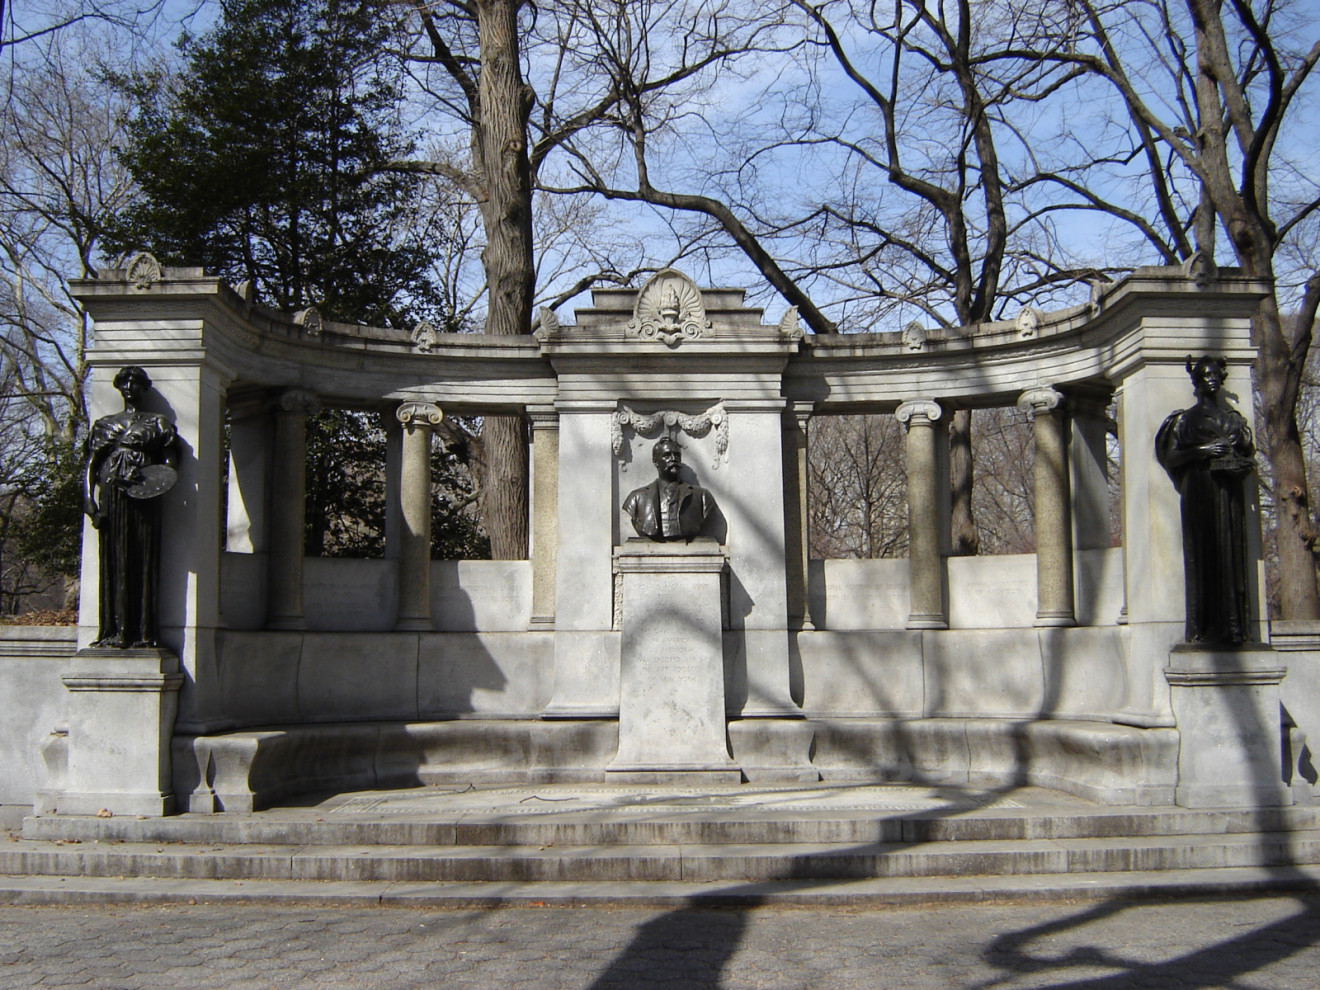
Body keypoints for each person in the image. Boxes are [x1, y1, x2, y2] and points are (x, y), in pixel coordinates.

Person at [1155, 355, 1256, 645]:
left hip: (1228, 491)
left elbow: (1248, 457)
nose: (1211, 379)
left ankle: (1236, 627)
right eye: (1205, 375)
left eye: (1215, 375)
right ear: (1196, 381)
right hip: (1199, 490)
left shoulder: (1235, 420)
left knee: (1232, 555)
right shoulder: (1183, 419)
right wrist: (1204, 450)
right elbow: (1172, 457)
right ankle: (1201, 627)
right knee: (1201, 555)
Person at [83, 366, 179, 648]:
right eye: (124, 381)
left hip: (143, 496)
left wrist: (149, 480)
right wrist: (89, 500)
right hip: (112, 496)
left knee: (142, 558)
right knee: (114, 561)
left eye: (135, 382)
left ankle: (143, 632)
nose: (129, 387)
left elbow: (171, 463)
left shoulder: (157, 423)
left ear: (144, 387)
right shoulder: (104, 424)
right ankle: (113, 631)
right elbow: (91, 464)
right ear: (117, 386)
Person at [622, 436, 717, 541]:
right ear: (655, 461)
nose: (673, 459)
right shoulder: (637, 498)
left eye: (677, 455)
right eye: (667, 455)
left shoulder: (702, 496)